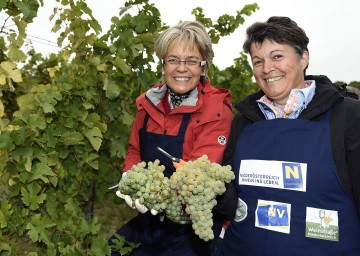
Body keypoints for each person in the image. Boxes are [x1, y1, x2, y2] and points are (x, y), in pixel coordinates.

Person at [215, 16, 360, 255]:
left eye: (277, 56)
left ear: (304, 58)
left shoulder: (348, 117)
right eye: (257, 61)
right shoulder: (242, 121)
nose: (267, 68)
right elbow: (229, 195)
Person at [109, 20, 233, 256]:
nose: (181, 68)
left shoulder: (215, 109)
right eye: (173, 60)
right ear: (163, 64)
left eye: (191, 61)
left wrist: (157, 196)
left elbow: (197, 174)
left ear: (204, 66)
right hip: (150, 218)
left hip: (190, 226)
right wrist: (130, 176)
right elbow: (135, 149)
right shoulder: (148, 104)